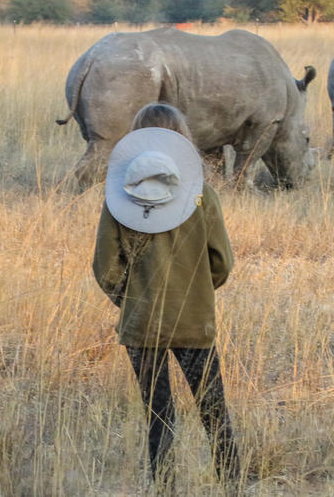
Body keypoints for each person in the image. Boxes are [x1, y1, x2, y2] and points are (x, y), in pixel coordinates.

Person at [93, 103, 241, 488]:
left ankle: (163, 487)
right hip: (194, 320)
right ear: (183, 141)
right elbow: (222, 263)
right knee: (213, 410)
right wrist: (196, 293)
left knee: (157, 414)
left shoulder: (118, 197)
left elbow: (106, 270)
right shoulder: (202, 196)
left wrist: (131, 299)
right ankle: (232, 484)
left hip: (142, 325)